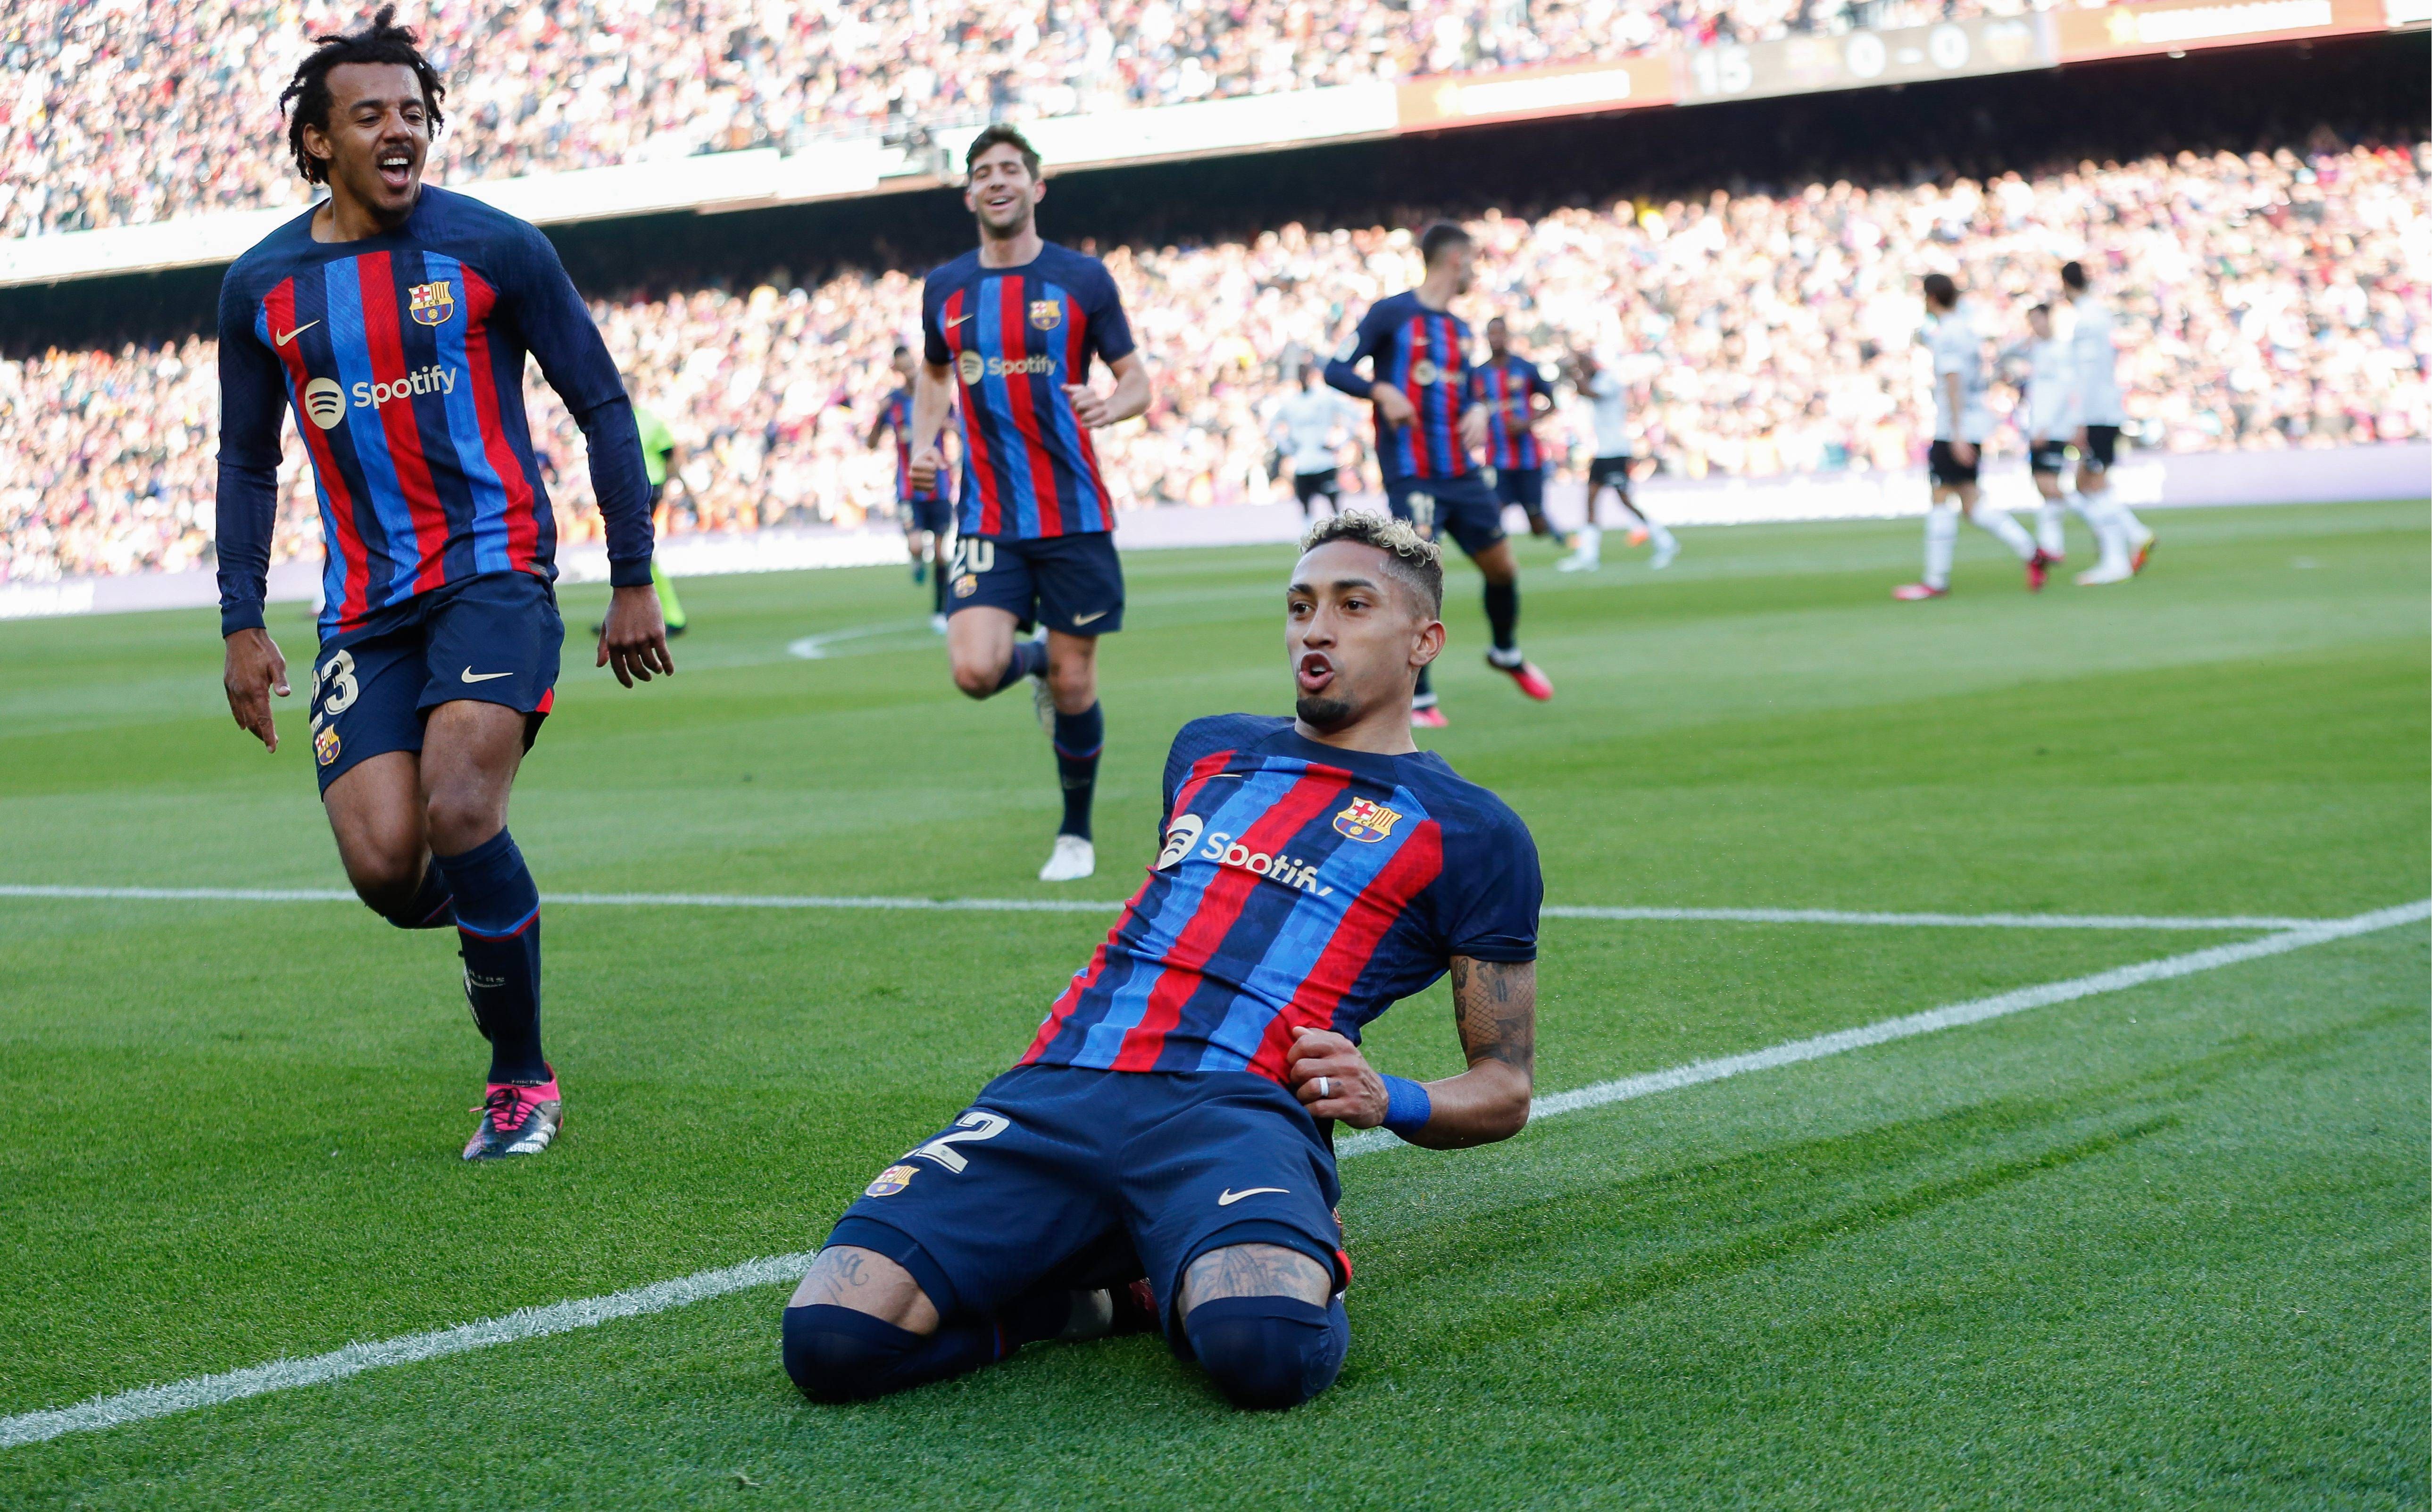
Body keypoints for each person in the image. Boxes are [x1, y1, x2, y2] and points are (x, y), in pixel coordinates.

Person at [781, 510, 1541, 1412]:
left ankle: (1229, 1251)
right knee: (832, 1337)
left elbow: (1505, 1087)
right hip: (1058, 1087)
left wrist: (1391, 1099)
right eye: (1300, 606)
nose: (1316, 628)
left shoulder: (1473, 831)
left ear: (1425, 640)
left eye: (1351, 605)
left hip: (1235, 1108)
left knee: (1263, 1352)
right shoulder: (1209, 751)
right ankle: (1086, 1299)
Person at [213, 8, 672, 1161]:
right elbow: (244, 459)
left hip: (494, 574)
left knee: (462, 806)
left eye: (413, 114)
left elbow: (601, 402)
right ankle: (495, 898)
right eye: (368, 116)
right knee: (386, 867)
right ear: (317, 141)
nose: (397, 132)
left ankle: (519, 1078)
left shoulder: (495, 247)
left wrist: (631, 576)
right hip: (365, 610)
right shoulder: (261, 286)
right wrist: (239, 619)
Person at [908, 125, 1151, 883]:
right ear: (970, 194)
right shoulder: (945, 288)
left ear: (1036, 187)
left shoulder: (1083, 279)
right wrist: (926, 444)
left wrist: (1115, 404)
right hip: (987, 516)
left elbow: (1139, 379)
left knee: (1078, 688)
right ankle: (1040, 657)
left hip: (1074, 512)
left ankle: (1075, 833)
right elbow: (934, 374)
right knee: (975, 671)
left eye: (1011, 169)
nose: (997, 181)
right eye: (983, 172)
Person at [1324, 222, 1552, 728]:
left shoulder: (1459, 329)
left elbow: (1467, 386)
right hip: (1413, 473)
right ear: (1455, 260)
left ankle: (1505, 652)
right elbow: (1335, 369)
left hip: (1461, 472)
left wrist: (1476, 408)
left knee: (1502, 568)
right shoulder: (1392, 314)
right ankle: (1420, 696)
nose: (1475, 270)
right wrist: (1379, 391)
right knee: (1420, 579)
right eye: (1472, 260)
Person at [1894, 274, 2053, 601]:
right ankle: (2031, 551)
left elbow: (1953, 381)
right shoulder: (1963, 330)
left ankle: (1935, 581)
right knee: (1971, 502)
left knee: (1941, 496)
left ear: (1931, 298)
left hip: (1955, 428)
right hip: (1970, 424)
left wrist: (1956, 434)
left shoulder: (1949, 334)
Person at [2001, 305, 2126, 572]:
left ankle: (2103, 526)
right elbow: (2003, 355)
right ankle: (2053, 546)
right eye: (2032, 321)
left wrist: (2046, 426)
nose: (2036, 326)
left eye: (2040, 320)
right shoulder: (2037, 350)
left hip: (2052, 430)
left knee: (2051, 487)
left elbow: (2064, 393)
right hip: (2040, 428)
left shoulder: (2061, 351)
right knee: (2046, 489)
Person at [2061, 260, 2155, 586]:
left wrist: (2078, 420)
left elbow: (2087, 373)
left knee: (2092, 484)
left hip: (2096, 414)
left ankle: (2118, 558)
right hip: (2106, 409)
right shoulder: (2100, 314)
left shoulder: (2086, 320)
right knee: (2087, 484)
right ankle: (2132, 536)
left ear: (2066, 285)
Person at [1557, 346, 1677, 572]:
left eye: (1583, 364)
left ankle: (1665, 542)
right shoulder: (1598, 380)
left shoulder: (1608, 380)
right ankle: (1588, 555)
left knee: (1625, 501)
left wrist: (1572, 373)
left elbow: (1589, 393)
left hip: (1615, 452)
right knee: (1591, 500)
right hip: (1603, 452)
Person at [870, 344, 956, 631]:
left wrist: (948, 425)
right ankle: (917, 560)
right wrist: (876, 419)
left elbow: (962, 429)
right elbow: (871, 443)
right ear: (897, 370)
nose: (909, 370)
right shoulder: (891, 403)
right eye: (903, 366)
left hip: (939, 486)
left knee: (943, 552)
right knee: (918, 545)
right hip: (908, 488)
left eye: (912, 364)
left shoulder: (937, 397)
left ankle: (940, 609)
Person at [1474, 317, 1557, 540]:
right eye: (1492, 334)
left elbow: (1552, 403)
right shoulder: (1478, 374)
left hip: (1528, 456)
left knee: (1536, 520)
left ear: (1508, 337)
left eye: (1500, 334)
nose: (1496, 339)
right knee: (1494, 509)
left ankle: (1554, 533)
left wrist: (1527, 422)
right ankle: (1495, 551)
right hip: (1497, 456)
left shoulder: (1525, 368)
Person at [1269, 364, 1358, 519]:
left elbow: (1354, 415)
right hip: (1303, 464)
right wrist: (1287, 448)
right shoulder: (1290, 403)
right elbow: (1272, 426)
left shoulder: (1326, 398)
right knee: (1305, 508)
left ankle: (1338, 537)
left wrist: (1340, 442)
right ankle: (1308, 538)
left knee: (1335, 507)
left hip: (1325, 461)